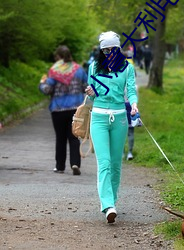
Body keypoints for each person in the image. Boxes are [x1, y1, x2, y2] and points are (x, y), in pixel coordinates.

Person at [85, 31, 138, 223]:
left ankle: (112, 201)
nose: (109, 53)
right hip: (98, 117)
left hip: (120, 118)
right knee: (104, 163)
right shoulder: (94, 67)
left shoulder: (127, 68)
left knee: (116, 164)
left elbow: (131, 90)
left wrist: (133, 104)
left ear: (118, 49)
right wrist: (90, 92)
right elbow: (91, 96)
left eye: (112, 49)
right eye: (105, 50)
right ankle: (107, 205)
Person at [39, 45, 88, 175]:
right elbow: (86, 86)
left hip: (58, 109)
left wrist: (42, 83)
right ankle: (75, 163)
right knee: (74, 137)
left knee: (60, 138)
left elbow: (47, 90)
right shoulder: (79, 69)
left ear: (58, 57)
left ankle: (60, 166)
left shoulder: (54, 71)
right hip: (75, 109)